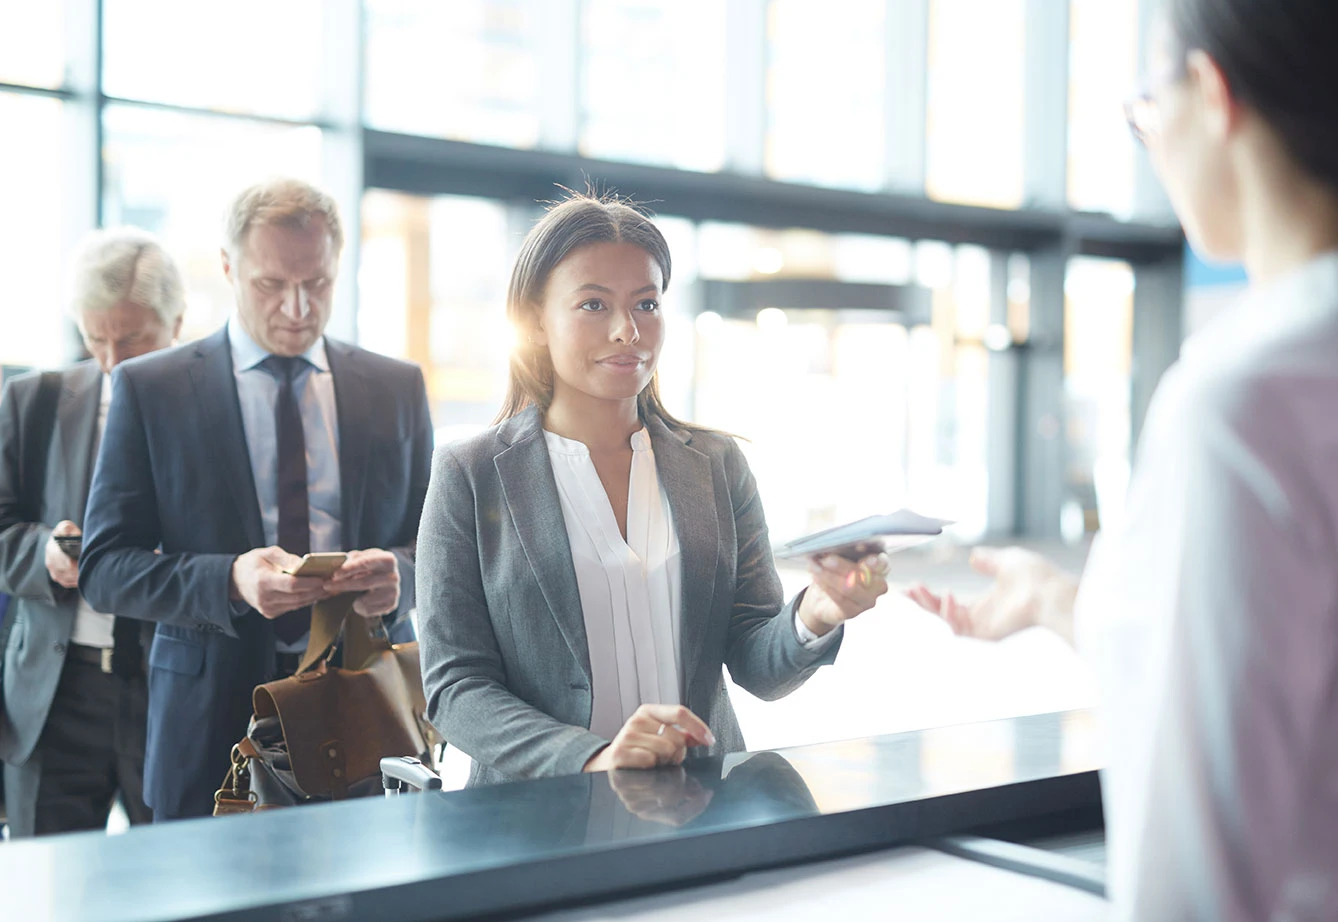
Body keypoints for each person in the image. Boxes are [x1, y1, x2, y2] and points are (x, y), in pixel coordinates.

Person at [908, 1, 1338, 918]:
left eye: (1144, 110)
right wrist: (1061, 601)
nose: (1152, 147)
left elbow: (1198, 880)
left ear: (1212, 94)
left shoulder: (1247, 403)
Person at [416, 193, 890, 787]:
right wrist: (591, 756)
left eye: (647, 303)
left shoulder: (717, 466)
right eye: (593, 304)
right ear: (536, 320)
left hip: (701, 807)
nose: (627, 331)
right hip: (537, 816)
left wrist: (816, 614)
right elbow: (455, 688)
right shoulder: (470, 473)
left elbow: (756, 663)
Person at [79, 178, 434, 821]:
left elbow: (436, 544)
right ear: (227, 269)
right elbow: (104, 569)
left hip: (368, 709)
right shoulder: (151, 389)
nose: (298, 307)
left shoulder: (396, 386)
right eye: (271, 285)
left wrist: (401, 578)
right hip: (210, 718)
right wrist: (231, 579)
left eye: (318, 284)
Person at [0, 228, 184, 836]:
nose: (109, 360)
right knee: (43, 891)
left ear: (175, 321)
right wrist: (42, 552)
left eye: (129, 339)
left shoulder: (211, 413)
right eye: (93, 337)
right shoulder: (32, 400)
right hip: (54, 693)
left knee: (178, 883)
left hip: (168, 686)